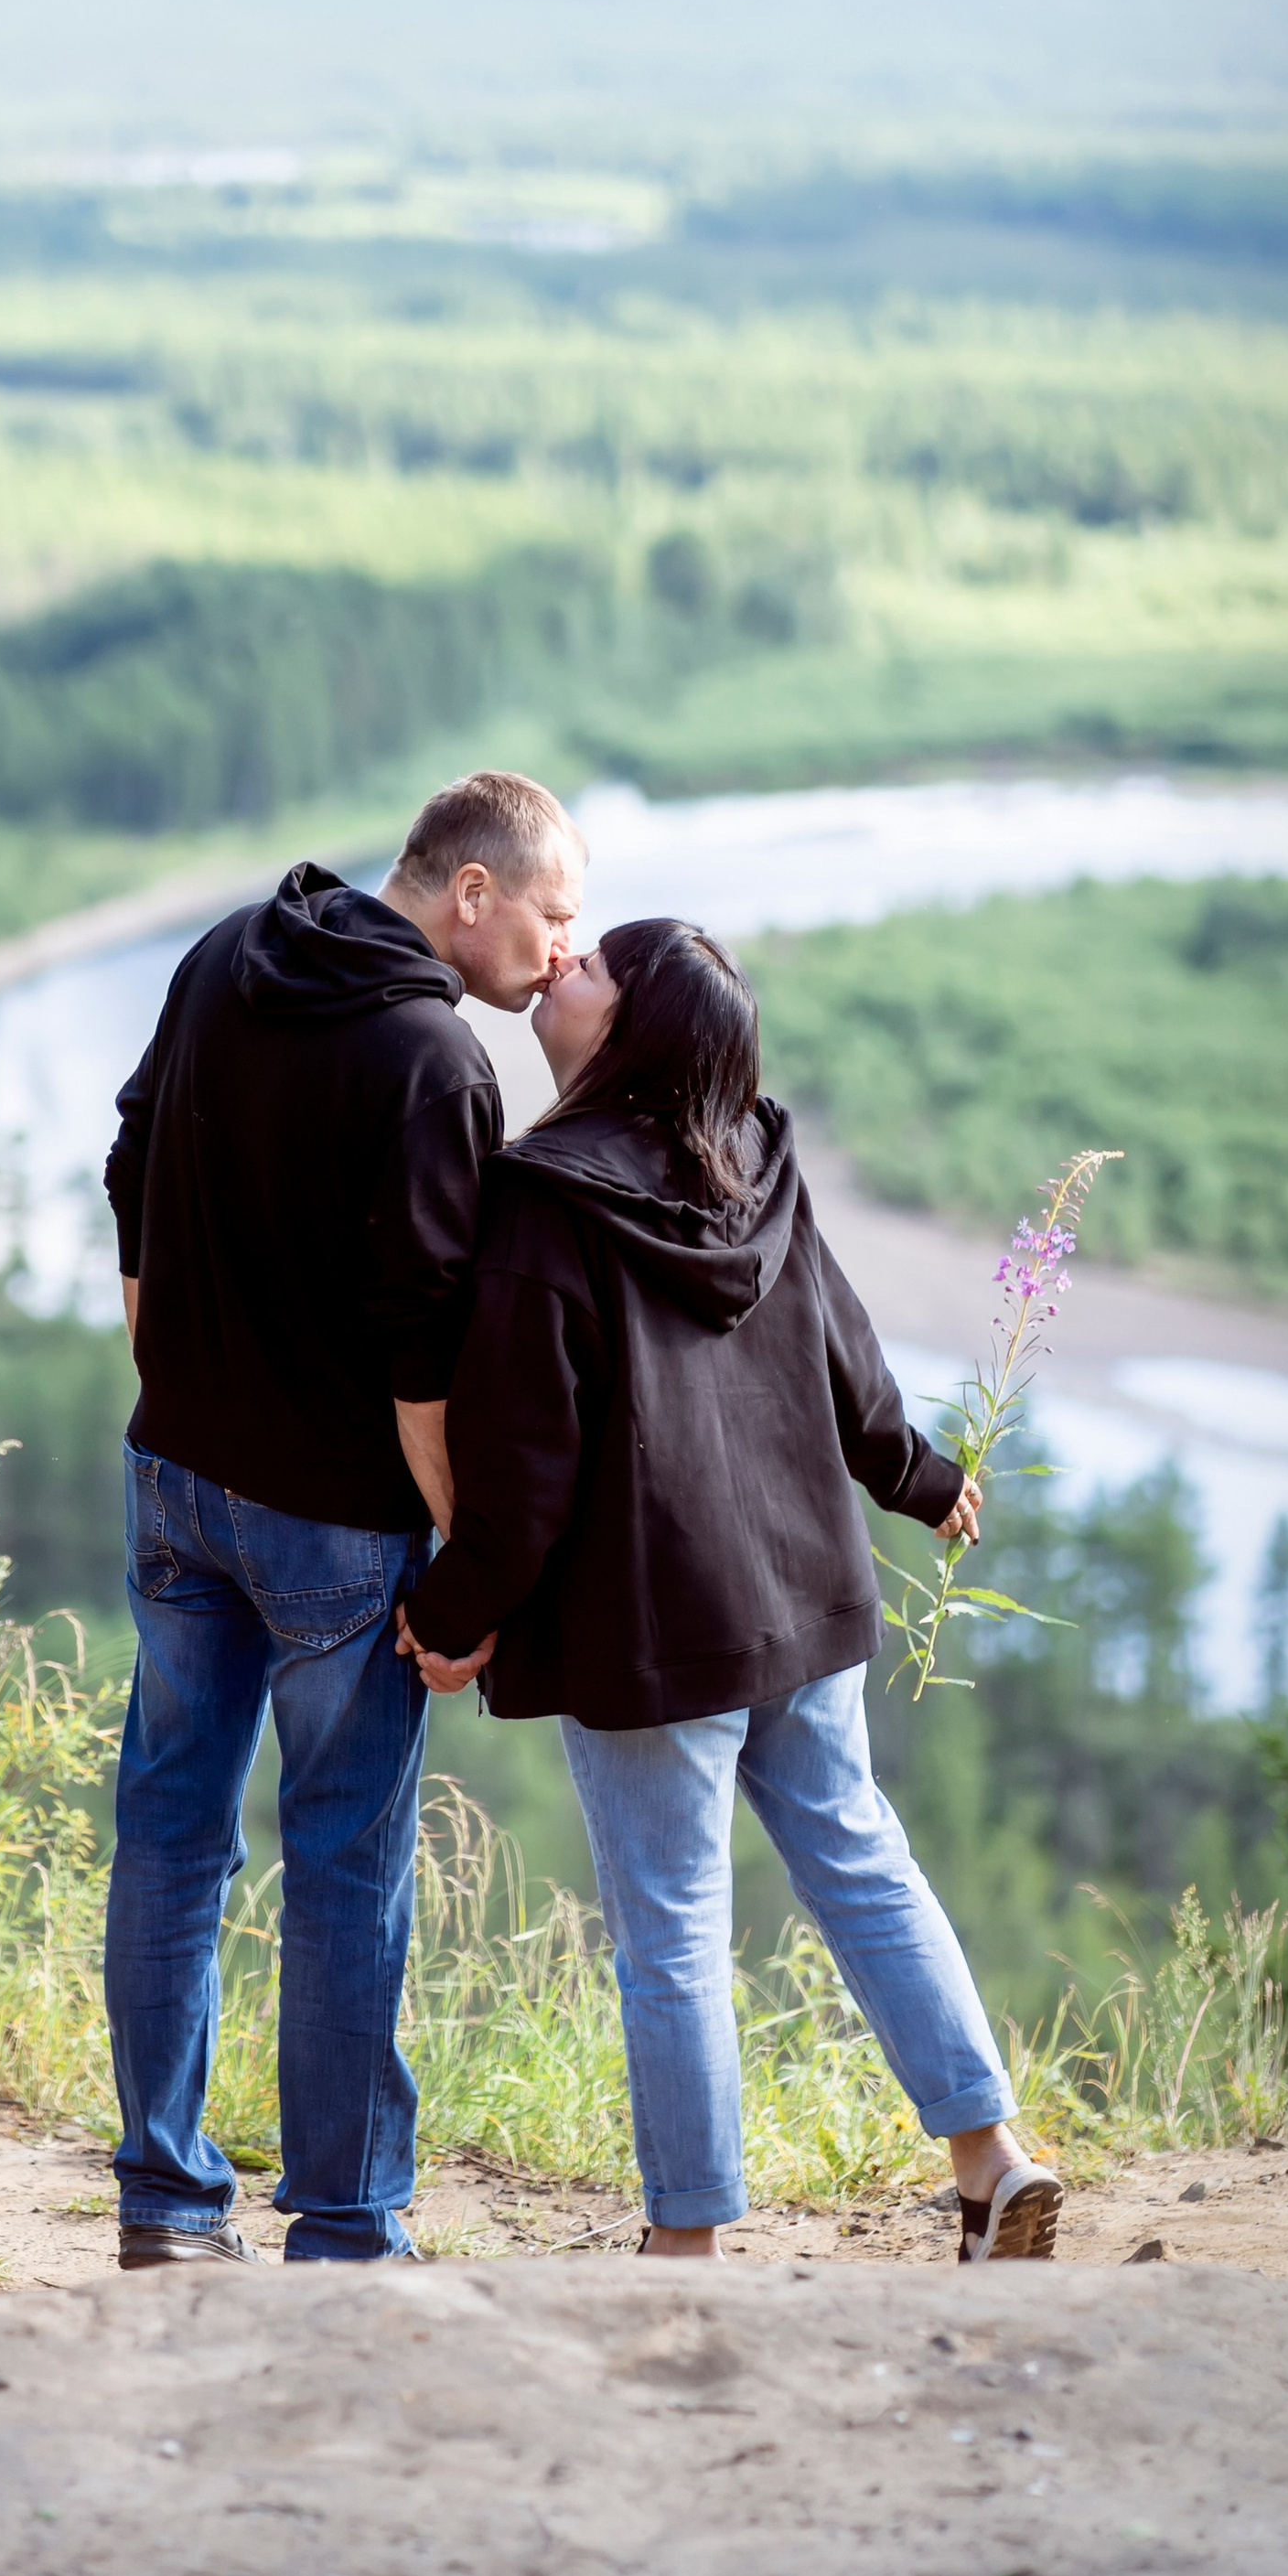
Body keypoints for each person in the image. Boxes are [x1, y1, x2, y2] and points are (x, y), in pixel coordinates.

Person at [398, 917, 1063, 2267]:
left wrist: (456, 1610)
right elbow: (844, 1348)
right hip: (802, 1591)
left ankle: (687, 2247)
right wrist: (919, 1477)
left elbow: (525, 1464)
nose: (563, 963)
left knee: (673, 1930)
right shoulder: (758, 1156)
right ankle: (992, 2160)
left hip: (656, 1632)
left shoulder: (542, 1198)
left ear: (627, 1026)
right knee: (865, 1865)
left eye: (594, 964)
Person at [101, 771, 585, 2267]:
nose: (567, 951)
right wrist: (457, 1562)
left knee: (172, 1833)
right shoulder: (434, 1060)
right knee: (345, 1862)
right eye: (556, 913)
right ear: (473, 894)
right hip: (337, 1526)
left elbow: (129, 1167)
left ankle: (168, 2204)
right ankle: (346, 2225)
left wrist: (164, 1364)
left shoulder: (223, 950)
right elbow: (422, 1352)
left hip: (175, 1478)